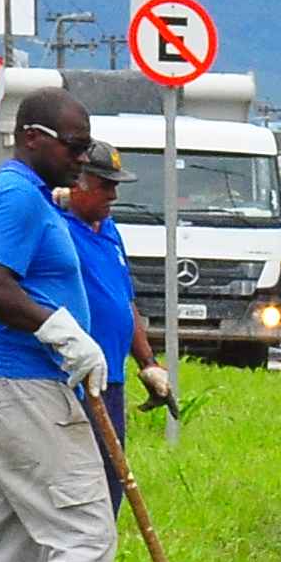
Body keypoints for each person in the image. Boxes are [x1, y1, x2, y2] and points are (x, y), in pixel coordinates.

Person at [0, 84, 119, 562]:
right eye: (75, 144)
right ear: (32, 138)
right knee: (86, 535)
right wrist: (62, 333)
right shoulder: (16, 197)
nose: (82, 157)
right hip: (20, 386)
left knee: (16, 548)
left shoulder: (33, 198)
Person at [56, 144, 178, 422]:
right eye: (105, 186)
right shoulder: (58, 228)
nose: (114, 195)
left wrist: (148, 364)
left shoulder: (110, 230)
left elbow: (124, 301)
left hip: (111, 376)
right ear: (78, 183)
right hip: (76, 376)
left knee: (111, 464)